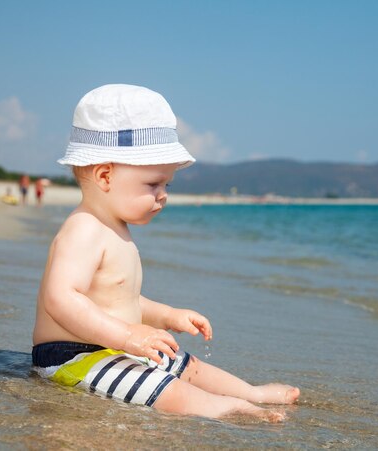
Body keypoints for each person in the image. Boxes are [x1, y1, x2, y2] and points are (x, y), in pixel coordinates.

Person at [32, 84, 299, 422]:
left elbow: (121, 298)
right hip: (72, 356)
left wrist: (168, 315)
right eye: (152, 184)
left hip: (109, 347)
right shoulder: (84, 228)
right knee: (170, 390)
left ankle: (250, 392)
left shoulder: (114, 227)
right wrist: (129, 335)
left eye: (166, 185)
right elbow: (61, 298)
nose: (163, 196)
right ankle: (225, 409)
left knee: (189, 366)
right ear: (104, 176)